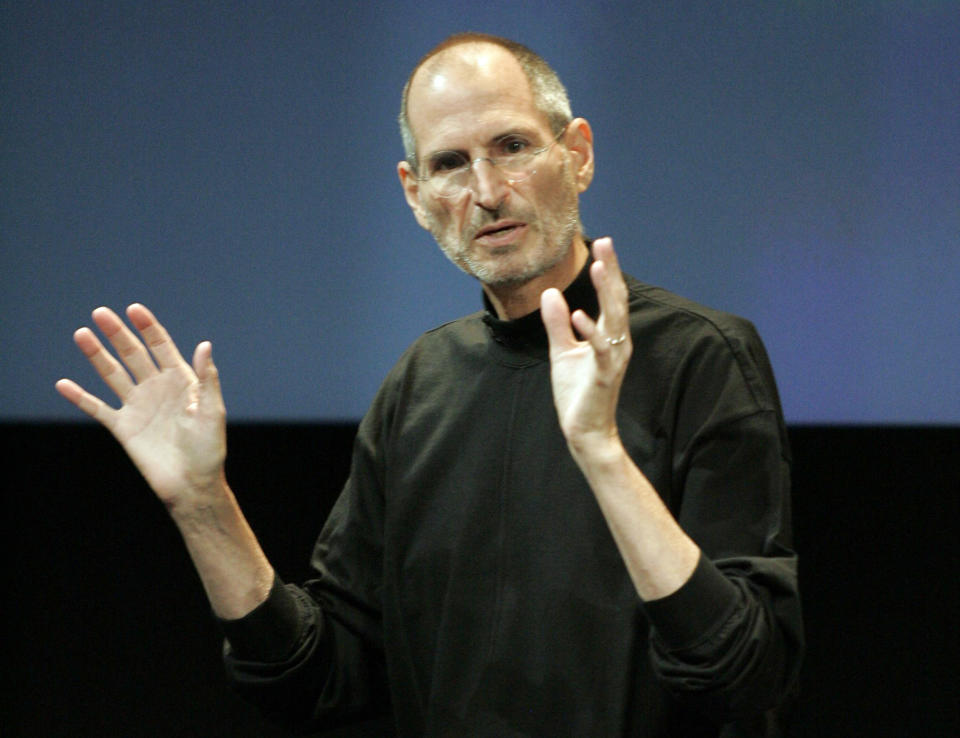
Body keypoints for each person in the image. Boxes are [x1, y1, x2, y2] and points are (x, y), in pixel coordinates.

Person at [57, 33, 803, 737]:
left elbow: (743, 672)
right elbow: (317, 679)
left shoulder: (701, 355)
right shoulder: (421, 387)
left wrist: (600, 451)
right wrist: (203, 504)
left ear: (577, 154)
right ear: (415, 195)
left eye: (512, 147)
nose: (486, 191)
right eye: (451, 163)